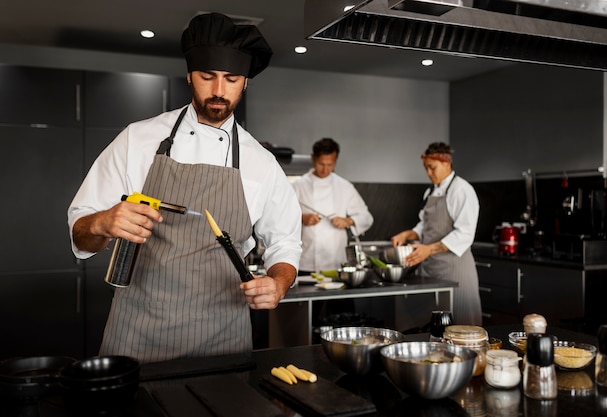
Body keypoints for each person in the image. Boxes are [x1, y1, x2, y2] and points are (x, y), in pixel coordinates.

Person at [67, 13, 302, 363]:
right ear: (190, 75)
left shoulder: (261, 163)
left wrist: (279, 283)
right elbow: (81, 232)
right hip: (138, 332)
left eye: (232, 79)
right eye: (207, 77)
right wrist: (102, 223)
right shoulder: (138, 139)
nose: (219, 91)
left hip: (223, 336)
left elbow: (285, 243)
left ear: (245, 83)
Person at [391, 142, 482, 325]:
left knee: (461, 325)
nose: (428, 173)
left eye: (432, 168)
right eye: (426, 168)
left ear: (447, 163)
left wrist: (428, 250)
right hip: (433, 270)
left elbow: (464, 233)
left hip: (456, 271)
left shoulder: (461, 190)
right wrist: (407, 235)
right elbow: (424, 226)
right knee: (437, 326)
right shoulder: (430, 192)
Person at [291, 138, 374, 273]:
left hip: (336, 262)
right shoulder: (297, 186)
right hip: (305, 261)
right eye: (321, 164)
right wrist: (301, 218)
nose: (325, 169)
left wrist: (348, 221)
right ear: (313, 159)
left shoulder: (344, 186)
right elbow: (281, 219)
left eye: (330, 164)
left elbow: (366, 217)